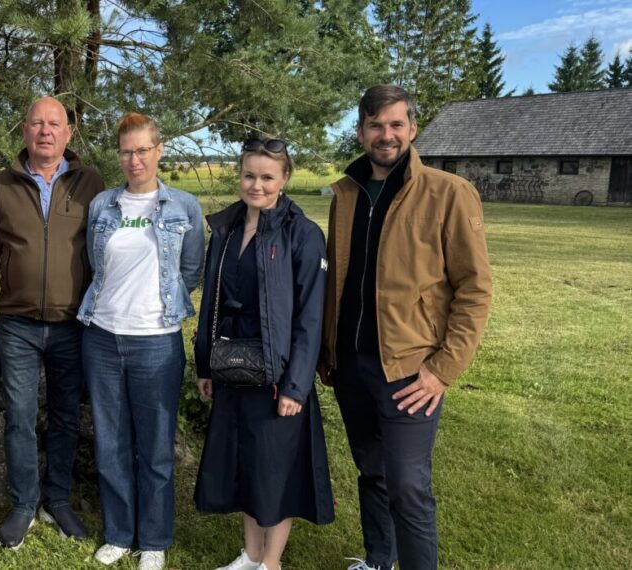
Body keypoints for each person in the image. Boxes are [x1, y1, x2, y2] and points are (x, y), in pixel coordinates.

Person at [319, 85, 492, 570]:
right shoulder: (347, 192)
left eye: (396, 124)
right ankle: (378, 561)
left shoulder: (448, 193)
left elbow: (475, 290)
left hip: (410, 372)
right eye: (375, 125)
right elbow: (340, 277)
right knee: (371, 472)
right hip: (352, 365)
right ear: (360, 131)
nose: (386, 135)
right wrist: (327, 351)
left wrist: (443, 369)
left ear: (413, 129)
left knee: (408, 486)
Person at [0, 96, 104, 549]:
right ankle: (24, 504)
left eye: (55, 124)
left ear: (68, 134)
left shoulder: (91, 184)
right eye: (36, 123)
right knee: (20, 418)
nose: (45, 131)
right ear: (24, 131)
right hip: (17, 326)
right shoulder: (1, 185)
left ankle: (58, 500)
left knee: (66, 416)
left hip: (73, 325)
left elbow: (104, 253)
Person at [193, 138, 334, 570]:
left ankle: (270, 563)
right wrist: (205, 365)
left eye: (267, 177)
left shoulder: (303, 234)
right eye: (249, 175)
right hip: (234, 368)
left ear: (284, 179)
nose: (257, 185)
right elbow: (212, 302)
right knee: (246, 467)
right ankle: (249, 556)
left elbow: (312, 315)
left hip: (278, 374)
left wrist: (296, 384)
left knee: (275, 473)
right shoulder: (227, 229)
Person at [78, 113, 204, 570]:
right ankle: (118, 533)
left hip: (157, 343)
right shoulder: (102, 207)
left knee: (155, 448)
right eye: (127, 151)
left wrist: (161, 305)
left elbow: (191, 271)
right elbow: (94, 268)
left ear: (159, 149)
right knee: (110, 445)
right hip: (104, 339)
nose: (134, 160)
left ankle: (154, 540)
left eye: (142, 150)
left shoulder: (183, 207)